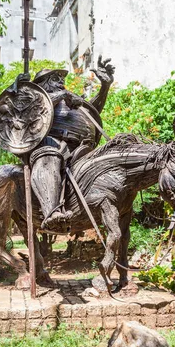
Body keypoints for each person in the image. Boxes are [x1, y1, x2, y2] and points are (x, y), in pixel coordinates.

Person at [28, 57, 114, 230]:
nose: (61, 81)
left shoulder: (69, 100)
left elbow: (92, 111)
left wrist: (105, 87)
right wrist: (63, 95)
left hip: (83, 148)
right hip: (52, 145)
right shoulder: (39, 100)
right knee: (49, 158)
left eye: (61, 78)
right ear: (42, 84)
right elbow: (38, 107)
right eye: (55, 78)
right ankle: (52, 213)